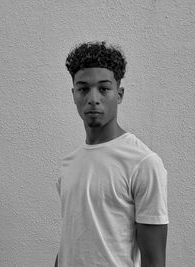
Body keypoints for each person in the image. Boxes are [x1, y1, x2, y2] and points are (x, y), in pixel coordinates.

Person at [55, 41, 169, 267]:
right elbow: (70, 242)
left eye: (104, 88)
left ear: (119, 94)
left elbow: (154, 259)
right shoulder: (68, 164)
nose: (93, 98)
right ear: (74, 94)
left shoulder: (143, 163)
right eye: (83, 88)